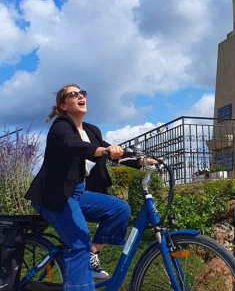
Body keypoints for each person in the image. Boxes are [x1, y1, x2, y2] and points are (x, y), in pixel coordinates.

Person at [24, 84, 155, 291]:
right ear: (63, 105)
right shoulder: (61, 126)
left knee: (119, 209)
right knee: (78, 245)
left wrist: (142, 161)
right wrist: (103, 149)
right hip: (54, 195)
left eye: (82, 93)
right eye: (73, 94)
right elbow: (76, 146)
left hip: (75, 193)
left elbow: (113, 154)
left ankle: (92, 253)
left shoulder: (92, 131)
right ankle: (83, 262)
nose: (79, 96)